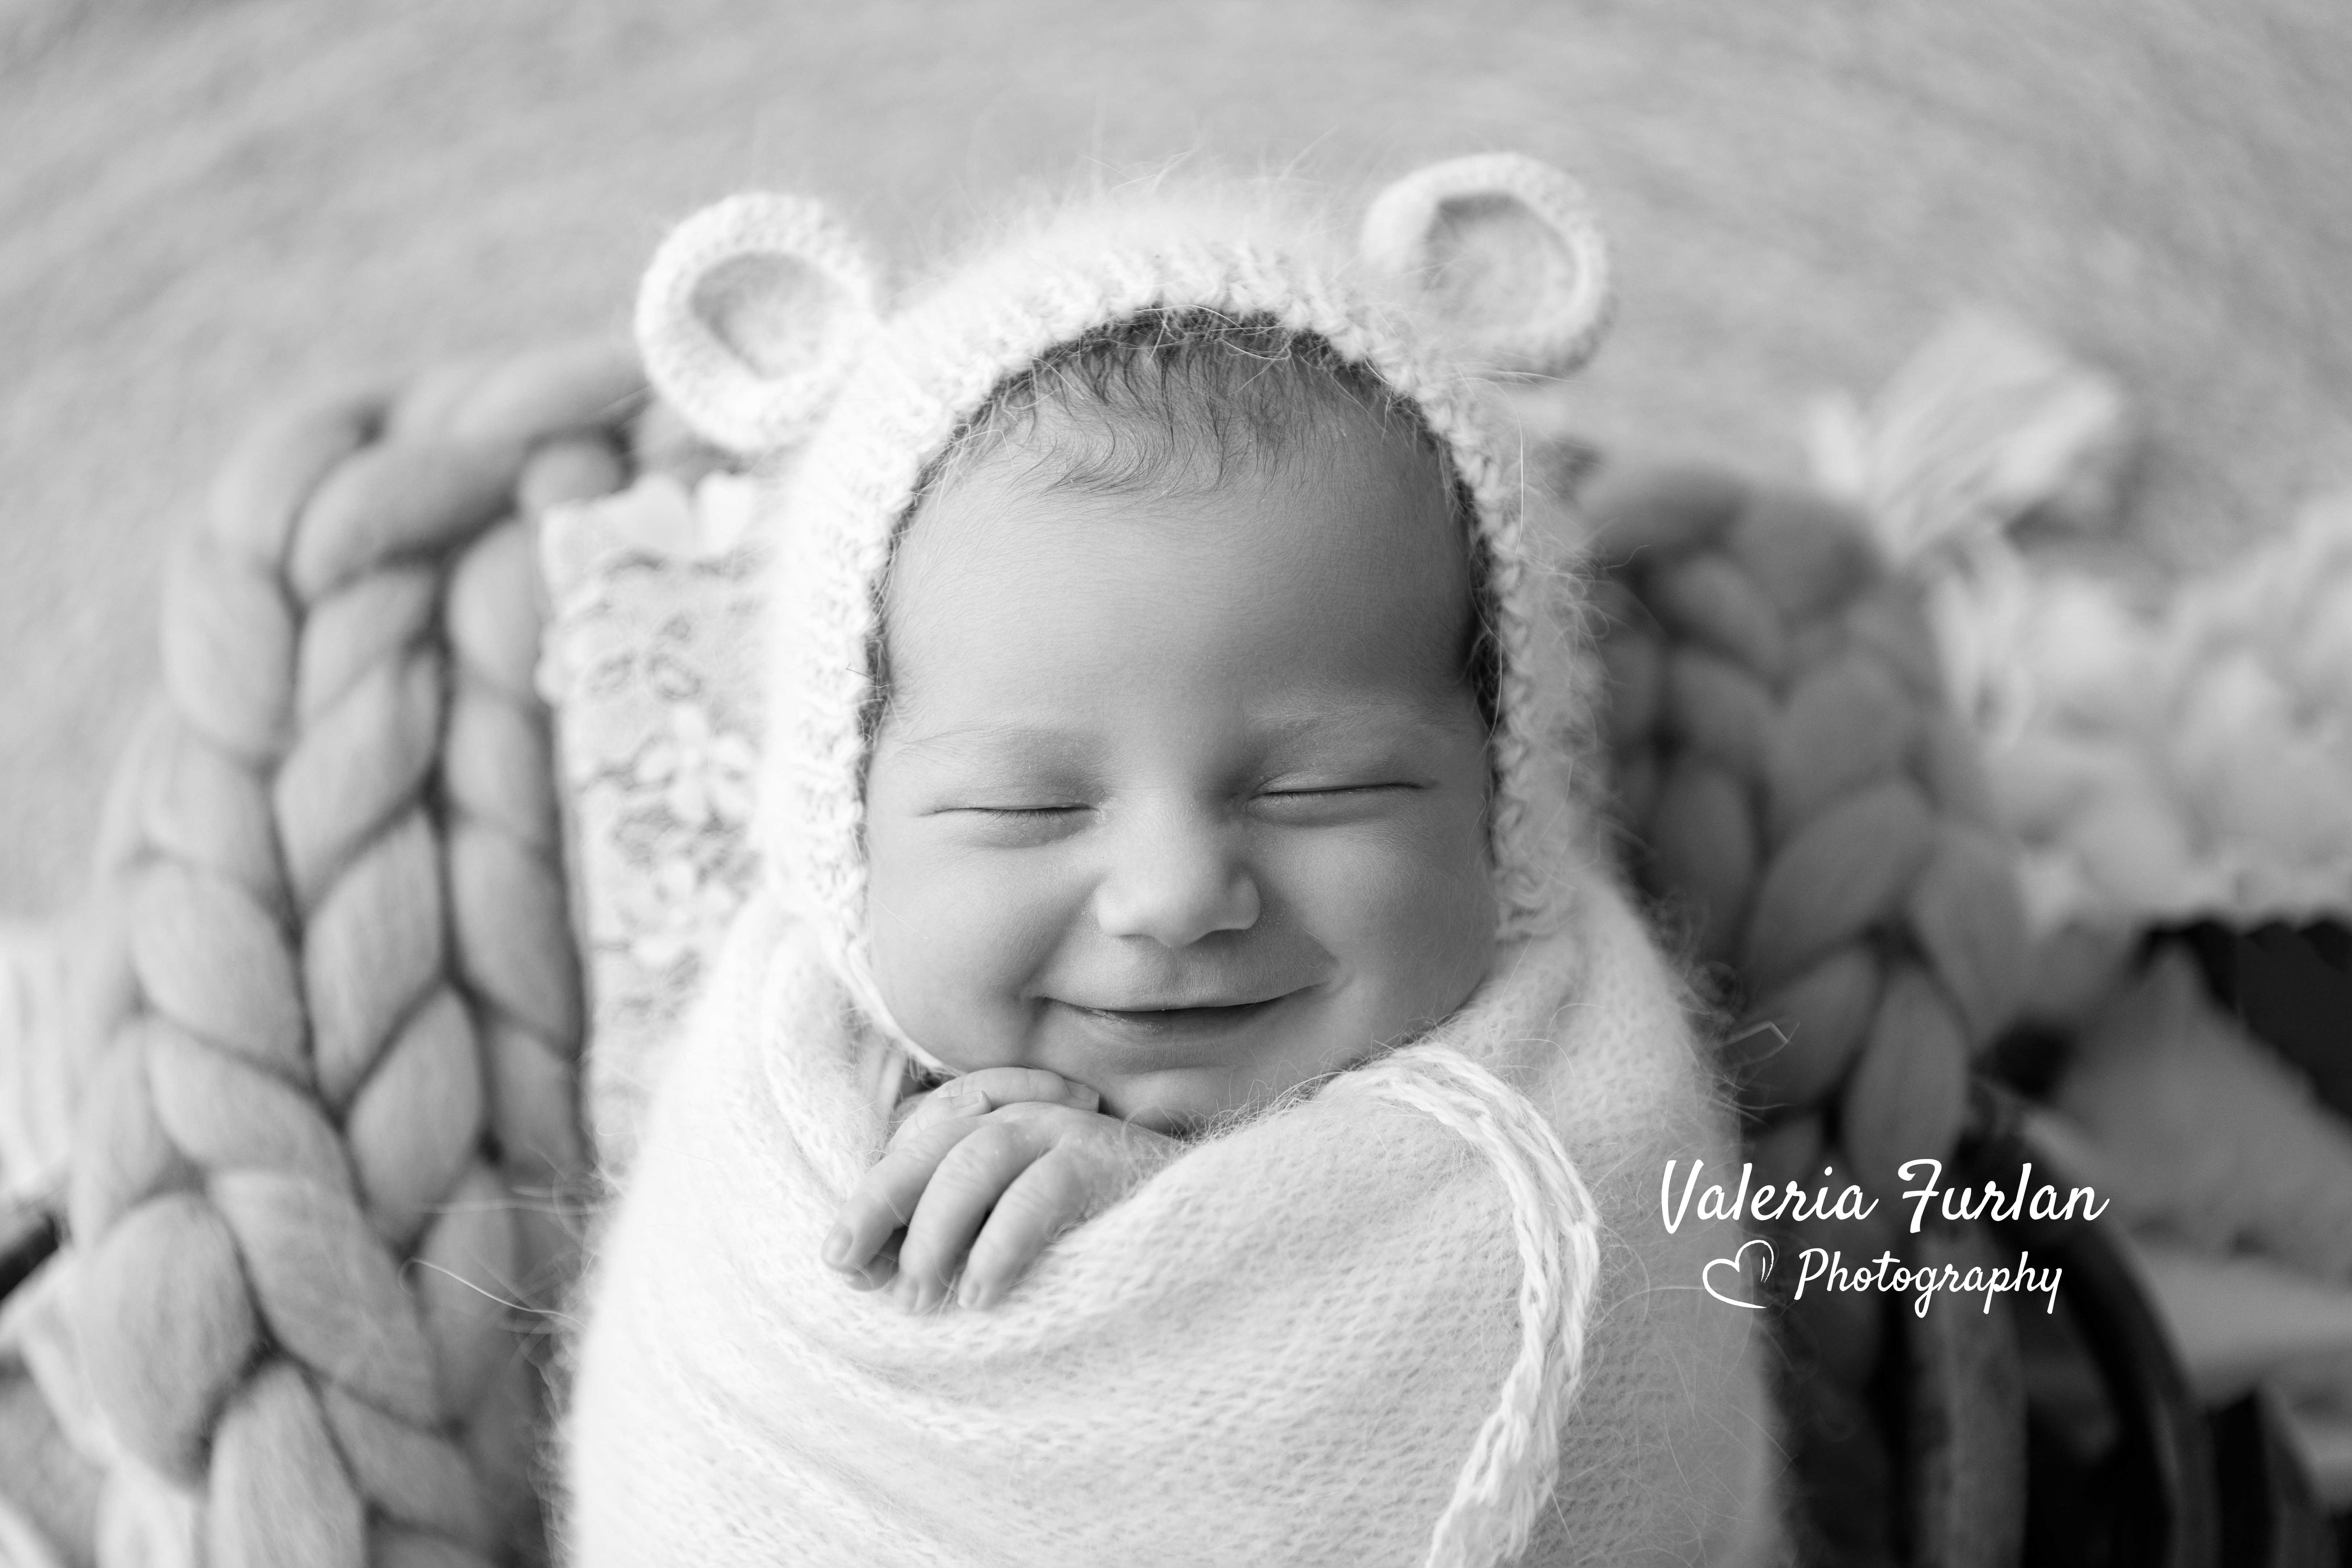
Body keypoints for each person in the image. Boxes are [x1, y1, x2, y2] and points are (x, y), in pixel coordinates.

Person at [567, 155, 1781, 1566]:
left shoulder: (1588, 1110)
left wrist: (1161, 1207)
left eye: (1327, 785)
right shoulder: (775, 1115)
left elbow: (1610, 1423)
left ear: (1503, 807)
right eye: (1026, 805)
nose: (1177, 893)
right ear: (845, 841)